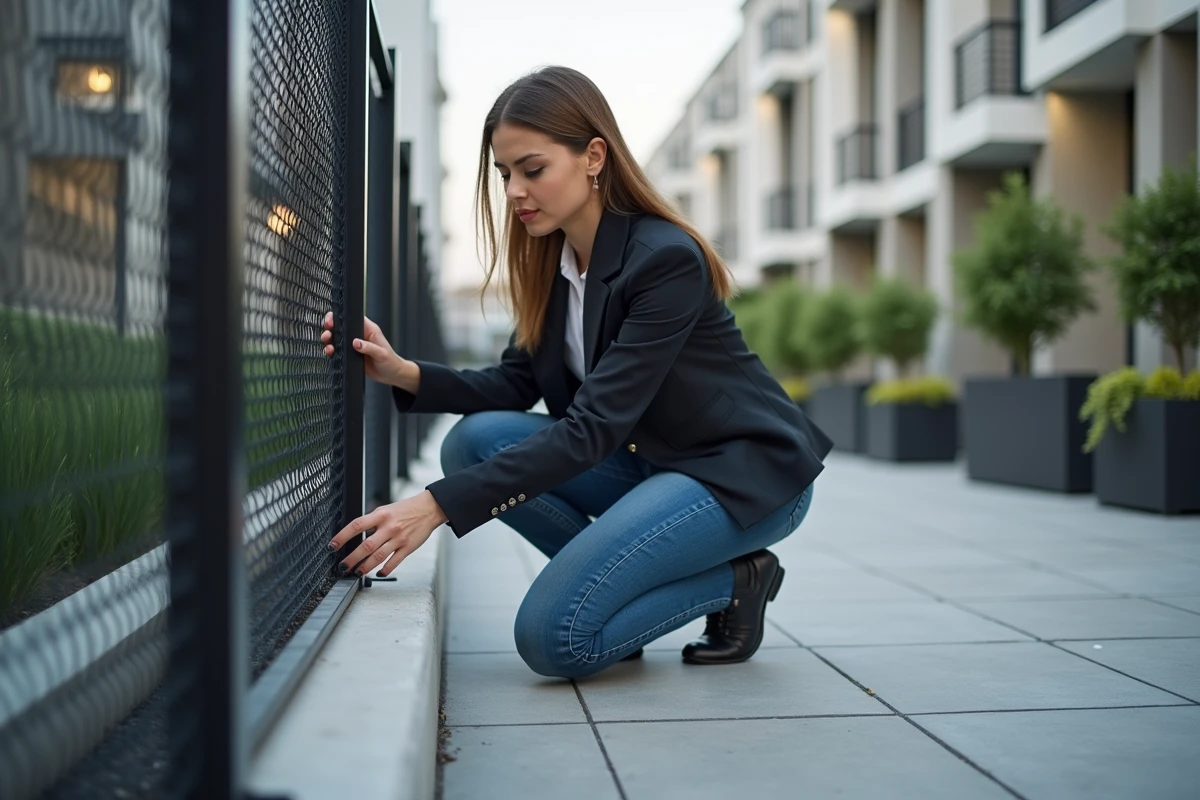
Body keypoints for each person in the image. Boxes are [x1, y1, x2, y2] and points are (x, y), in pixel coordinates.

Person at [323, 66, 832, 680]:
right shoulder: (554, 259)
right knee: (472, 442)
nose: (513, 191)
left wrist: (435, 507)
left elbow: (591, 428)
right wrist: (403, 372)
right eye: (504, 173)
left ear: (594, 157)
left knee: (554, 638)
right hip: (650, 462)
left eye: (532, 169)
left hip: (739, 472)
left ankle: (737, 580)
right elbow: (517, 385)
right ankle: (615, 598)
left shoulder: (664, 260)